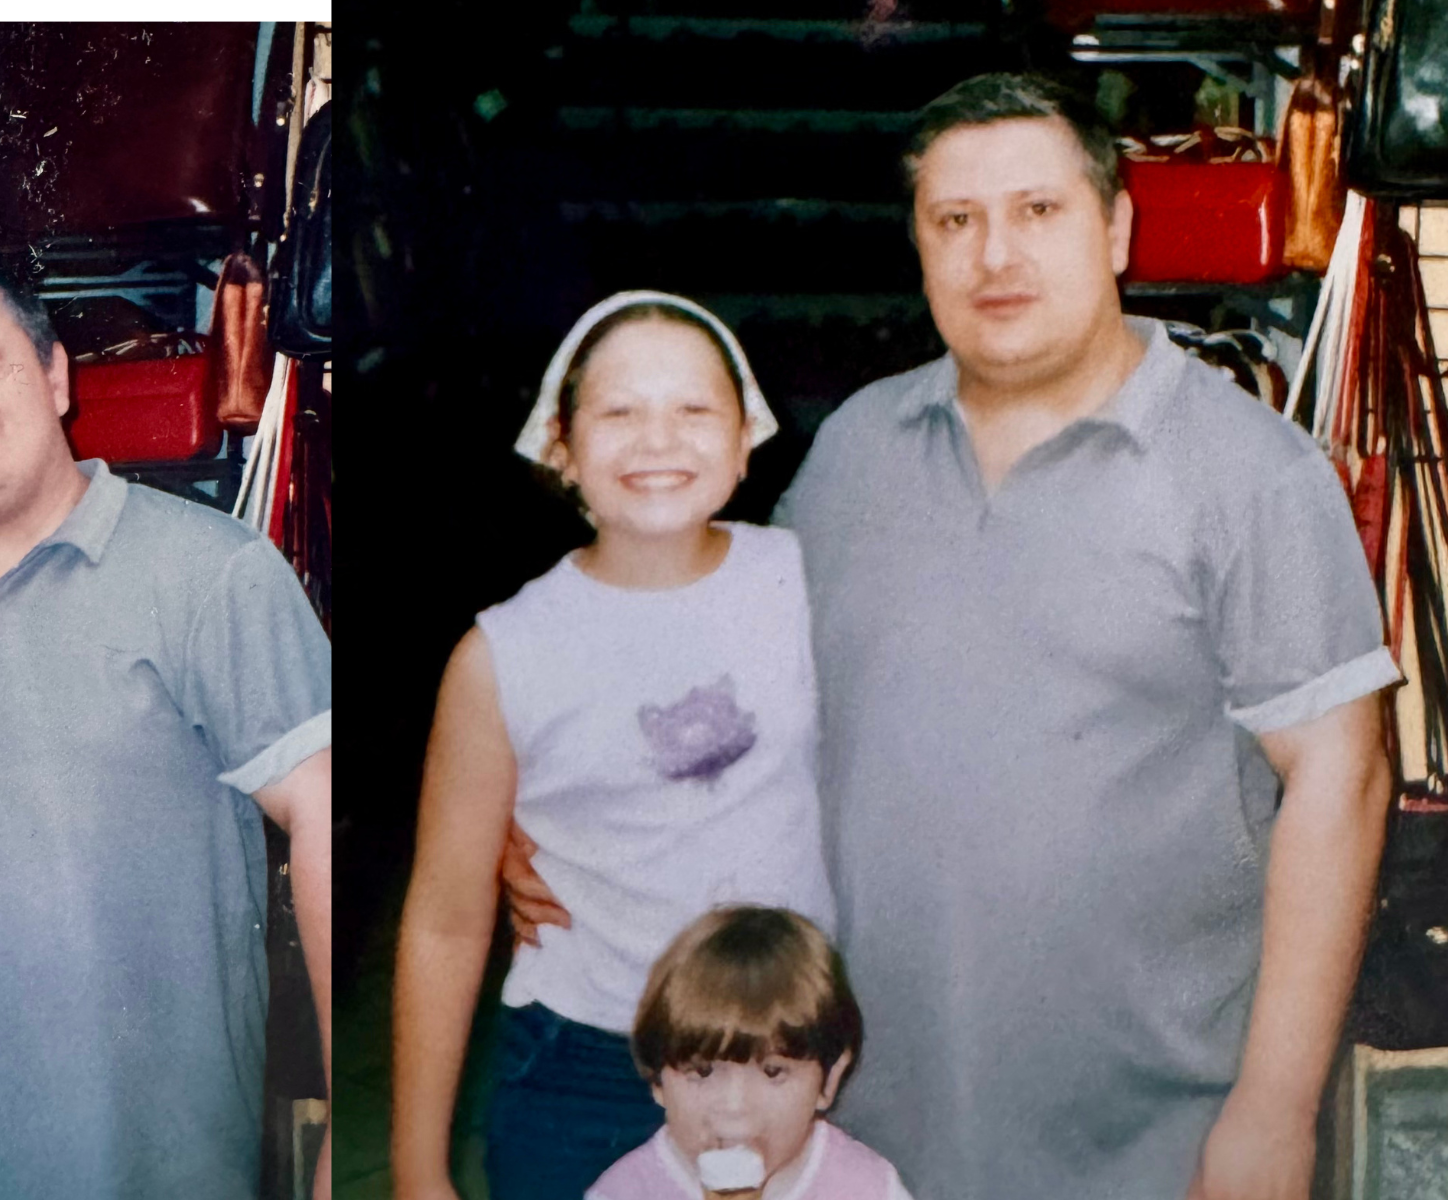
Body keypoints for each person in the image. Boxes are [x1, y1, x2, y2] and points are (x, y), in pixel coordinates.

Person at [507, 73, 1396, 1198]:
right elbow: (729, 682)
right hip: (860, 1139)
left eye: (1038, 210)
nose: (994, 256)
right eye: (955, 220)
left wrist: (1273, 1110)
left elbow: (1341, 781)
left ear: (1115, 229)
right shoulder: (856, 451)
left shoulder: (1248, 473)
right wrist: (545, 809)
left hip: (1149, 1142)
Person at [0, 249, 335, 1200]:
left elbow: (325, 819)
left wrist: (340, 1137)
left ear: (54, 377)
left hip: (155, 1171)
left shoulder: (209, 573)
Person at [393, 292, 835, 1200]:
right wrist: (417, 1170)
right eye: (620, 412)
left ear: (746, 438)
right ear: (560, 446)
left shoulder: (810, 583)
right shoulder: (503, 655)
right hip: (588, 1062)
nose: (658, 440)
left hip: (791, 1052)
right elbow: (443, 919)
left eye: (694, 409)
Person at [585, 906, 911, 1200]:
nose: (734, 1108)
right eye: (702, 1071)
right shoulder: (624, 1193)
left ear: (828, 1081)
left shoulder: (867, 1189)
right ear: (657, 1080)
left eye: (773, 1071)